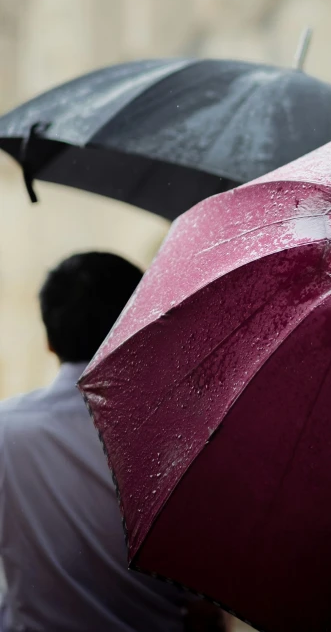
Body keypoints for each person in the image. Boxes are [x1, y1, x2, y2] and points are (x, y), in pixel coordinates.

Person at [0, 252, 228, 632]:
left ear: (49, 343)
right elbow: (204, 604)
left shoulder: (7, 431)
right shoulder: (189, 439)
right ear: (141, 329)